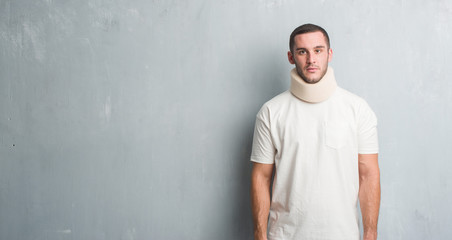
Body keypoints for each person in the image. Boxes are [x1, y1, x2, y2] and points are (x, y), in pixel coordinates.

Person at [250, 24, 380, 240]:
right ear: (291, 57)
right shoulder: (271, 112)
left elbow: (369, 175)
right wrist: (259, 235)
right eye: (303, 52)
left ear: (329, 54)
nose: (311, 59)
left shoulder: (357, 109)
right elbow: (260, 177)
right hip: (286, 235)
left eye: (318, 50)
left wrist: (370, 233)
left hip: (343, 235)